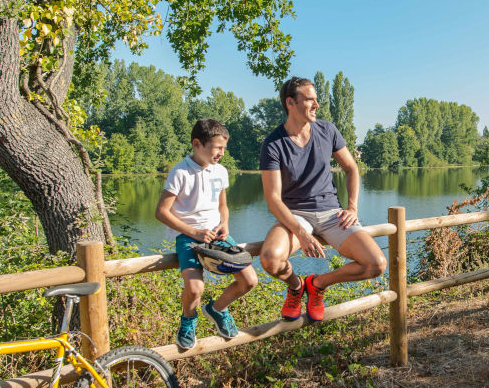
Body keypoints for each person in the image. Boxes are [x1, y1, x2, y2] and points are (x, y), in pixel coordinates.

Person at [259, 77, 386, 322]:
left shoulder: (327, 130)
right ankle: (296, 287)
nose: (317, 104)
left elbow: (351, 168)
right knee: (270, 260)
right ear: (290, 103)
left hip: (331, 214)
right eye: (309, 99)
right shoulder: (273, 144)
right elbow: (273, 198)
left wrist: (352, 207)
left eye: (317, 99)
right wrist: (302, 233)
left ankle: (317, 284)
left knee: (376, 263)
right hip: (295, 216)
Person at [156, 118, 259, 349]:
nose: (222, 153)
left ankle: (217, 309)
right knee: (195, 288)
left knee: (250, 280)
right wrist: (194, 232)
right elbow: (161, 212)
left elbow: (223, 205)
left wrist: (225, 223)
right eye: (217, 148)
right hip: (188, 237)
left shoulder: (220, 171)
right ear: (197, 144)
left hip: (216, 236)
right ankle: (188, 320)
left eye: (224, 148)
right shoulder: (180, 172)